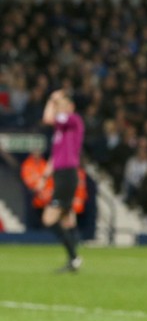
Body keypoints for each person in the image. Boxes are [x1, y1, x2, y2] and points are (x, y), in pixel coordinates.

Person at [41, 90, 85, 272]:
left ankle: (74, 257)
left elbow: (47, 118)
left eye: (62, 105)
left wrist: (52, 99)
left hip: (67, 174)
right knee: (68, 220)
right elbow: (55, 156)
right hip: (61, 175)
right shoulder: (60, 130)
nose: (59, 109)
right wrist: (45, 176)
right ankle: (73, 259)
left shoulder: (73, 120)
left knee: (49, 219)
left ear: (71, 107)